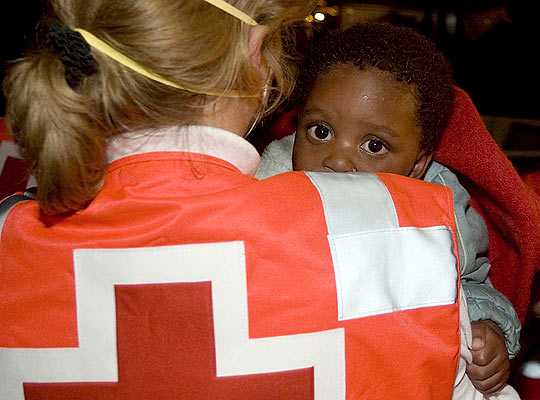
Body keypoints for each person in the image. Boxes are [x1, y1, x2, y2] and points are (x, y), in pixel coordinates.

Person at [0, 2, 507, 399]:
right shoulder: (407, 239)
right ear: (256, 51)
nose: (339, 159)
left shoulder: (12, 235)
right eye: (322, 131)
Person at [256, 23, 520, 396]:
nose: (339, 160)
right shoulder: (268, 181)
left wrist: (488, 327)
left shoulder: (440, 210)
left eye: (374, 146)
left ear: (417, 164)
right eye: (320, 131)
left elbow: (472, 281)